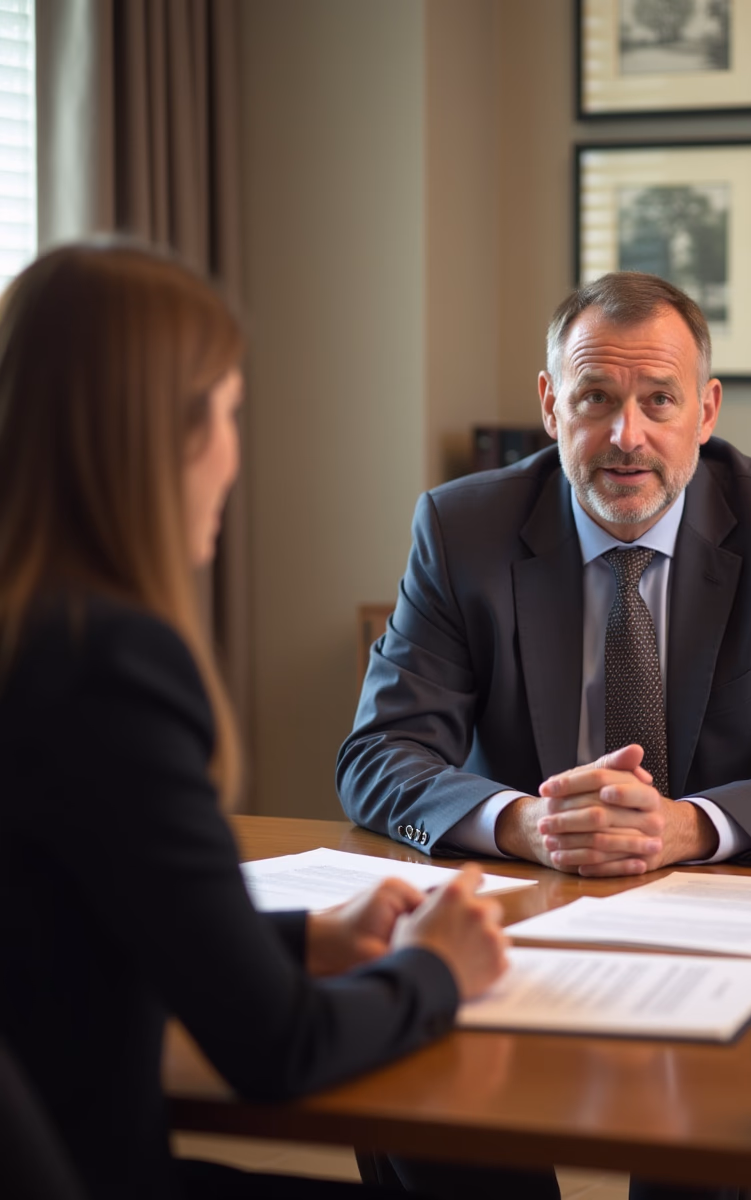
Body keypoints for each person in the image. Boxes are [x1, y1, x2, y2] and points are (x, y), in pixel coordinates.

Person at [0, 242, 509, 1200]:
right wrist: (439, 970)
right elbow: (279, 1049)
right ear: (160, 435)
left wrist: (294, 942)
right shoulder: (110, 668)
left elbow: (63, 927)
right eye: (230, 413)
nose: (237, 454)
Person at [337, 272, 751, 882]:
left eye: (660, 399)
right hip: (537, 895)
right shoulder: (462, 531)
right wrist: (528, 824)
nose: (627, 437)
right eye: (596, 398)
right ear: (551, 406)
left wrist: (685, 827)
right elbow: (378, 754)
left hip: (731, 895)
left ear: (706, 411)